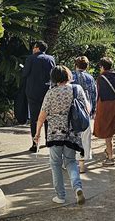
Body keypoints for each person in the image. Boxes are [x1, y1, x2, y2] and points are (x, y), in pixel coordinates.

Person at [33, 65, 89, 205]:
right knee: (70, 161)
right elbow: (87, 108)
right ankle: (77, 188)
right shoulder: (76, 89)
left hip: (54, 133)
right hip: (71, 132)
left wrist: (37, 132)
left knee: (55, 164)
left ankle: (60, 196)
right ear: (68, 75)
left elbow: (42, 116)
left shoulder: (51, 93)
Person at [21, 40, 55, 153]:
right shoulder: (51, 59)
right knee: (47, 117)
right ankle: (48, 140)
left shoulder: (31, 58)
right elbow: (53, 75)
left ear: (37, 48)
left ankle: (35, 144)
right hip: (47, 92)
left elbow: (25, 73)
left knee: (35, 119)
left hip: (33, 92)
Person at [94, 57, 115, 166]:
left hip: (105, 106)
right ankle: (108, 152)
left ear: (102, 67)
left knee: (107, 132)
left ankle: (110, 156)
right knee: (110, 131)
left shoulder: (101, 78)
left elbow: (99, 94)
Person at [70, 56, 97, 173]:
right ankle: (82, 165)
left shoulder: (70, 76)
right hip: (86, 111)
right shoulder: (90, 78)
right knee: (85, 138)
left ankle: (69, 163)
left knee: (72, 137)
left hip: (72, 111)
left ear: (75, 65)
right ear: (87, 66)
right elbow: (94, 95)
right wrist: (94, 109)